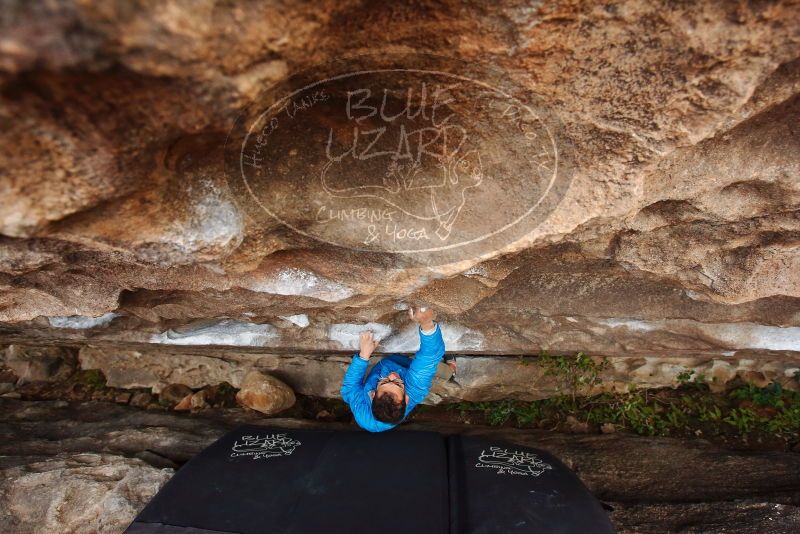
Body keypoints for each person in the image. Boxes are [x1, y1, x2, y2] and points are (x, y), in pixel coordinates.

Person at [340, 305, 455, 432]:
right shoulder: (415, 390)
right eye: (398, 383)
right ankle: (451, 369)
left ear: (372, 395)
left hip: (389, 366)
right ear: (406, 398)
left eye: (384, 381)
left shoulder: (362, 413)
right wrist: (427, 323)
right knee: (433, 367)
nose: (393, 375)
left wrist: (364, 355)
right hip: (407, 367)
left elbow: (350, 388)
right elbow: (429, 356)